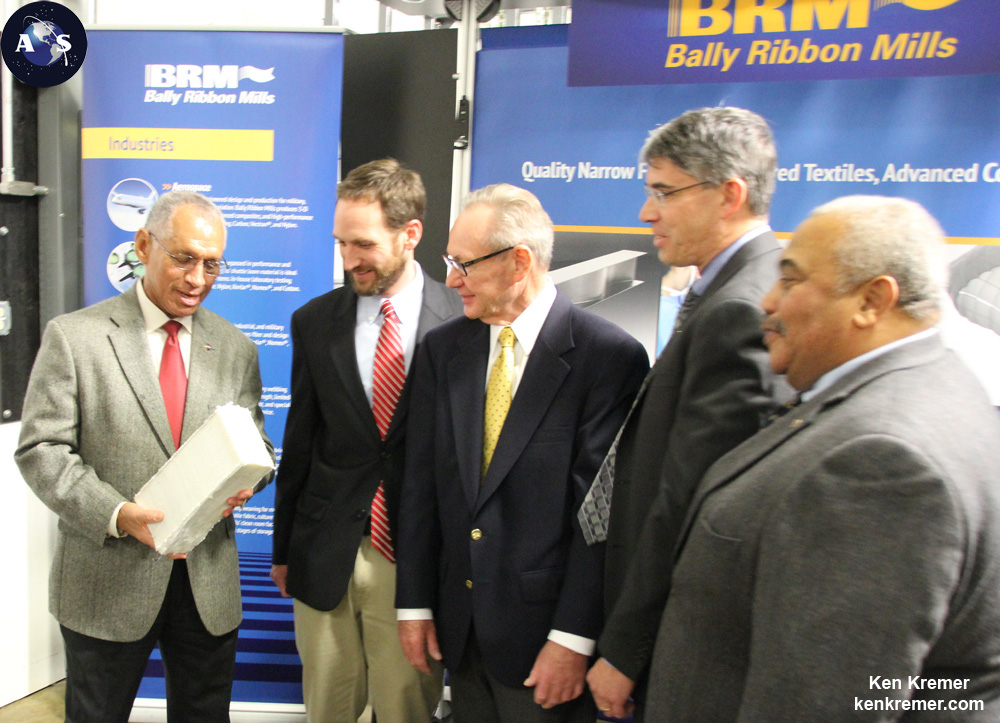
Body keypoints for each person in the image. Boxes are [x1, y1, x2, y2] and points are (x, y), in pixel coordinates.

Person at [646, 196, 1000, 721]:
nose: (767, 301)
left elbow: (828, 701)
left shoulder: (879, 465)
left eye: (790, 281)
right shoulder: (930, 383)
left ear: (872, 301)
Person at [395, 184, 649, 723]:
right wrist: (414, 603)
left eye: (463, 264)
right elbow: (418, 486)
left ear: (519, 263)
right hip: (460, 637)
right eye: (449, 262)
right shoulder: (444, 351)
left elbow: (599, 517)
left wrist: (574, 637)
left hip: (546, 648)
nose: (451, 280)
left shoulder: (608, 359)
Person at [16, 191, 273, 722]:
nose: (197, 278)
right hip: (105, 582)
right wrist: (116, 514)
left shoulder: (236, 348)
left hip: (207, 585)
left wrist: (251, 475)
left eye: (211, 264)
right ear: (142, 245)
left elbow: (258, 441)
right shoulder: (76, 338)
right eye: (183, 258)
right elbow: (42, 449)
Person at [584, 106, 792, 718]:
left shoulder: (741, 310)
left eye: (664, 193)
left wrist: (625, 649)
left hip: (685, 641)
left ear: (729, 195)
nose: (647, 213)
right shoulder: (730, 290)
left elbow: (695, 500)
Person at [270, 159, 461, 722]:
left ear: (411, 234)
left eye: (364, 244)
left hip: (418, 559)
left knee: (406, 707)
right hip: (325, 549)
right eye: (341, 243)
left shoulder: (462, 321)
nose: (349, 259)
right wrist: (283, 549)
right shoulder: (314, 321)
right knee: (329, 705)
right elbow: (300, 439)